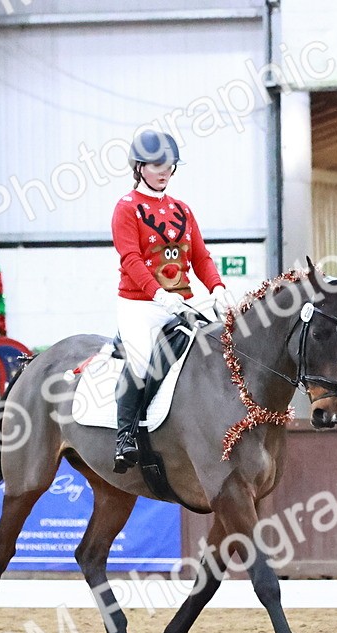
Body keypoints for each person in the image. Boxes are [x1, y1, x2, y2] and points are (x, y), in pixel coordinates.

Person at [111, 129, 235, 473]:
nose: (163, 170)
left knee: (217, 348)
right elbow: (130, 259)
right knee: (139, 363)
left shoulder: (182, 210)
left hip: (183, 302)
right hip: (141, 305)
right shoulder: (126, 209)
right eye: (155, 164)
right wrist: (158, 294)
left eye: (168, 164)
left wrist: (218, 288)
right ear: (139, 167)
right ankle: (126, 437)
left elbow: (200, 257)